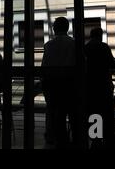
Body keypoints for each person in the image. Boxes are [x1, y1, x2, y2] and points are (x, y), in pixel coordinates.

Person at [41, 17, 78, 148]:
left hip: (54, 85)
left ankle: (59, 140)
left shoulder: (48, 45)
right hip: (70, 84)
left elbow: (44, 67)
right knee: (73, 114)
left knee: (57, 116)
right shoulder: (74, 44)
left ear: (55, 28)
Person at [84, 27, 115, 148]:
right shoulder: (104, 47)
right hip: (104, 85)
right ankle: (109, 139)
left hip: (90, 86)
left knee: (94, 112)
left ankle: (96, 139)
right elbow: (111, 63)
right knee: (106, 113)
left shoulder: (86, 47)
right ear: (100, 35)